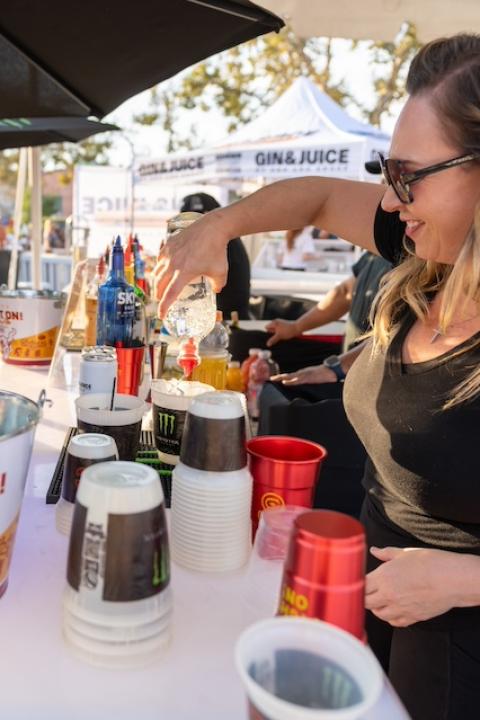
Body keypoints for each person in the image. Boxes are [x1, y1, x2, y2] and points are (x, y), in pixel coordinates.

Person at [155, 35, 480, 719]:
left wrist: (463, 577)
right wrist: (217, 227)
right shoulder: (432, 250)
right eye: (387, 174)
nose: (390, 202)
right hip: (368, 610)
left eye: (408, 176)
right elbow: (319, 198)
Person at [179, 193, 251, 319]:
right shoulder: (228, 237)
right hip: (230, 317)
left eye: (194, 221)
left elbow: (193, 285)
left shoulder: (217, 240)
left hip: (227, 323)